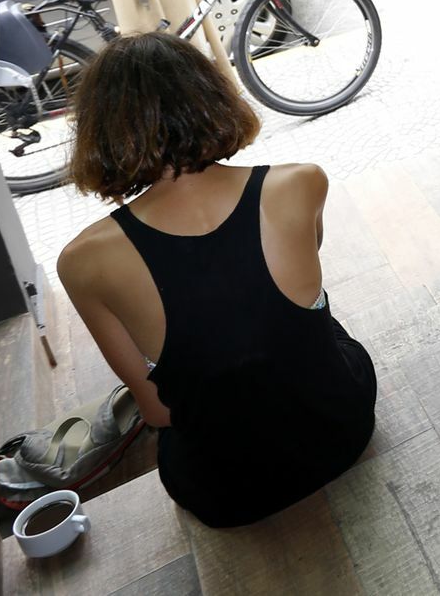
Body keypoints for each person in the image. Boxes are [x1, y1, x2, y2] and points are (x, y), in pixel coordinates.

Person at [56, 33, 374, 529]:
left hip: (223, 494)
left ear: (100, 133)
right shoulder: (301, 182)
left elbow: (159, 414)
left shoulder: (82, 261)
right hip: (344, 434)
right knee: (318, 326)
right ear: (212, 95)